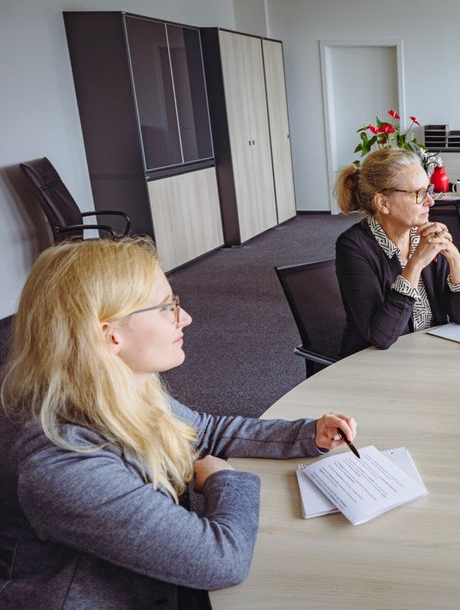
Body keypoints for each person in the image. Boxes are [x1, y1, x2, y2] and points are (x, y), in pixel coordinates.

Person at [0, 238, 357, 607]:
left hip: (154, 581)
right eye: (166, 308)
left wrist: (305, 434)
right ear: (112, 335)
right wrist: (224, 479)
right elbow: (221, 560)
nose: (184, 318)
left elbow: (202, 431)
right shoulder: (60, 462)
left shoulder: (112, 385)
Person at [335, 148, 460, 358]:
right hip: (376, 364)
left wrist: (455, 258)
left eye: (428, 190)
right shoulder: (353, 246)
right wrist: (415, 264)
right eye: (419, 194)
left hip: (429, 357)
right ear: (383, 203)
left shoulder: (426, 235)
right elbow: (381, 336)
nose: (431, 201)